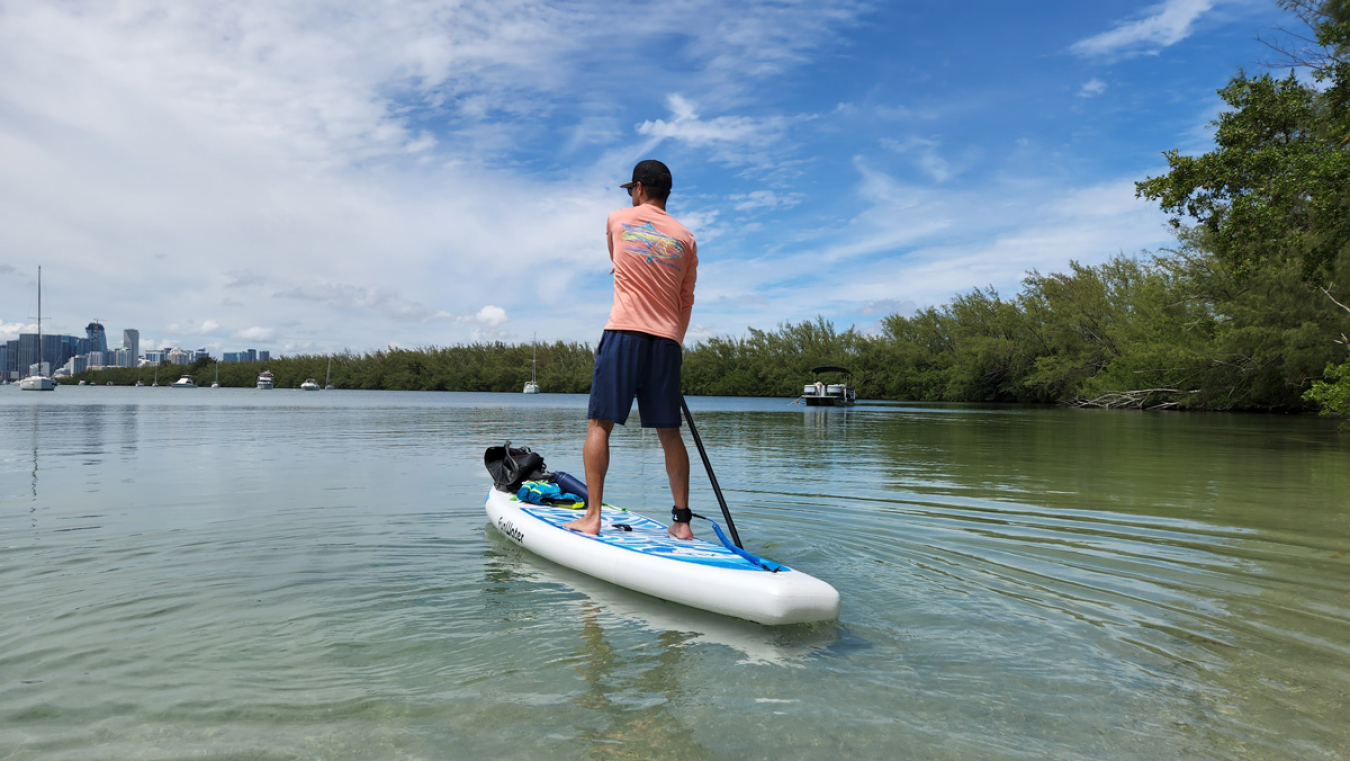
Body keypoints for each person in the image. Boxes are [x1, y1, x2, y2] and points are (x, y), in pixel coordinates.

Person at [564, 159, 698, 539]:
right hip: (667, 342)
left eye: (631, 190)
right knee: (670, 432)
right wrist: (674, 339)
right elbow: (686, 299)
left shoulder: (617, 219)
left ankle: (592, 518)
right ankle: (683, 523)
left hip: (624, 332)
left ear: (638, 188)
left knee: (599, 424)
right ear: (666, 193)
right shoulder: (686, 238)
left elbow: (618, 258)